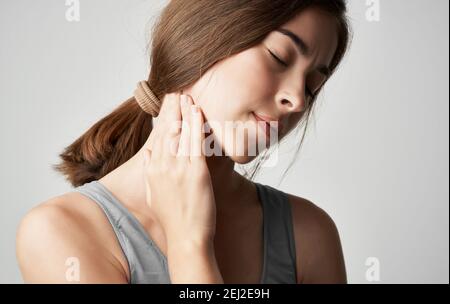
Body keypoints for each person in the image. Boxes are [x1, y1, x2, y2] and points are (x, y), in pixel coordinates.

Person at [16, 0, 351, 284]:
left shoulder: (308, 234)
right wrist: (188, 241)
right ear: (200, 42)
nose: (298, 99)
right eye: (279, 57)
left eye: (311, 85)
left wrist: (190, 245)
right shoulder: (61, 233)